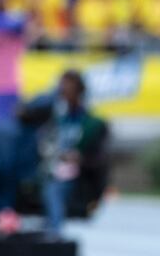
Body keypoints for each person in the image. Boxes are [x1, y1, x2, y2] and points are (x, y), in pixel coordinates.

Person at [21, 70, 108, 239]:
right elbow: (23, 114)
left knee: (55, 188)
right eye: (62, 88)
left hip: (77, 173)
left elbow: (99, 156)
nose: (65, 92)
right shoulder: (54, 114)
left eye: (69, 88)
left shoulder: (89, 121)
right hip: (48, 166)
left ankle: (55, 232)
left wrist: (80, 158)